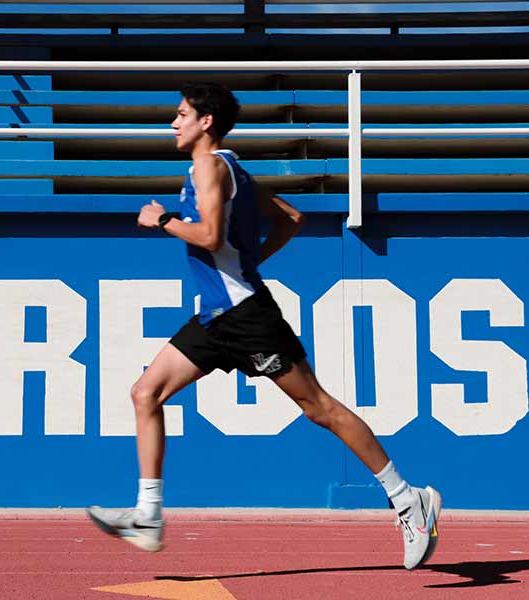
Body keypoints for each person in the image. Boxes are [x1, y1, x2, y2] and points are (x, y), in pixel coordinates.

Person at [86, 82, 441, 570]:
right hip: (217, 316)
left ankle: (407, 499)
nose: (173, 123)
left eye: (181, 114)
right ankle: (148, 514)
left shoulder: (210, 167)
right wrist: (247, 263)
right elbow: (291, 218)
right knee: (145, 392)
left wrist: (163, 218)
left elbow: (210, 236)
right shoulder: (233, 169)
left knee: (318, 407)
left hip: (247, 317)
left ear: (205, 122)